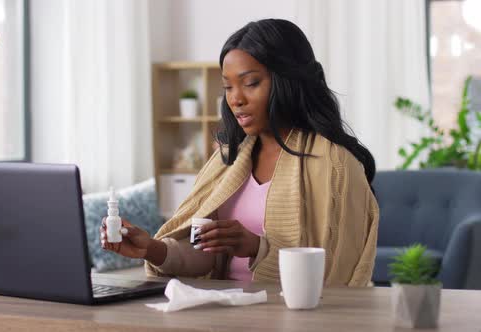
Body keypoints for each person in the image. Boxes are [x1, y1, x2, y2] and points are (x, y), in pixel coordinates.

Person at [100, 19, 379, 286]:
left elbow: (336, 274)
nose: (236, 99)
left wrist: (256, 247)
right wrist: (152, 249)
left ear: (289, 80)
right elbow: (205, 256)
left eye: (251, 83)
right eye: (228, 87)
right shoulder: (227, 160)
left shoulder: (336, 165)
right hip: (224, 311)